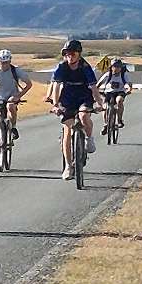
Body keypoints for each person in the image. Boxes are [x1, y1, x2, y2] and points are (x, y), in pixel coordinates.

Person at [46, 37, 101, 179]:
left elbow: (93, 87)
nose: (69, 56)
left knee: (84, 116)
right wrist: (55, 105)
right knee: (67, 130)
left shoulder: (85, 67)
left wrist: (99, 103)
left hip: (84, 96)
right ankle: (69, 166)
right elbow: (56, 86)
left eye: (73, 53)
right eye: (66, 53)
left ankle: (89, 138)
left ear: (79, 54)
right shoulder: (62, 67)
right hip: (67, 98)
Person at [101, 57, 131, 130]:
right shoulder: (108, 75)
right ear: (111, 67)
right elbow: (98, 84)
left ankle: (119, 120)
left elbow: (128, 84)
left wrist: (128, 89)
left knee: (119, 100)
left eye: (118, 67)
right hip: (108, 92)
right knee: (104, 106)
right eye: (114, 66)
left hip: (120, 92)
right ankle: (105, 124)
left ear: (121, 68)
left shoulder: (124, 75)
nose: (116, 68)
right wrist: (95, 90)